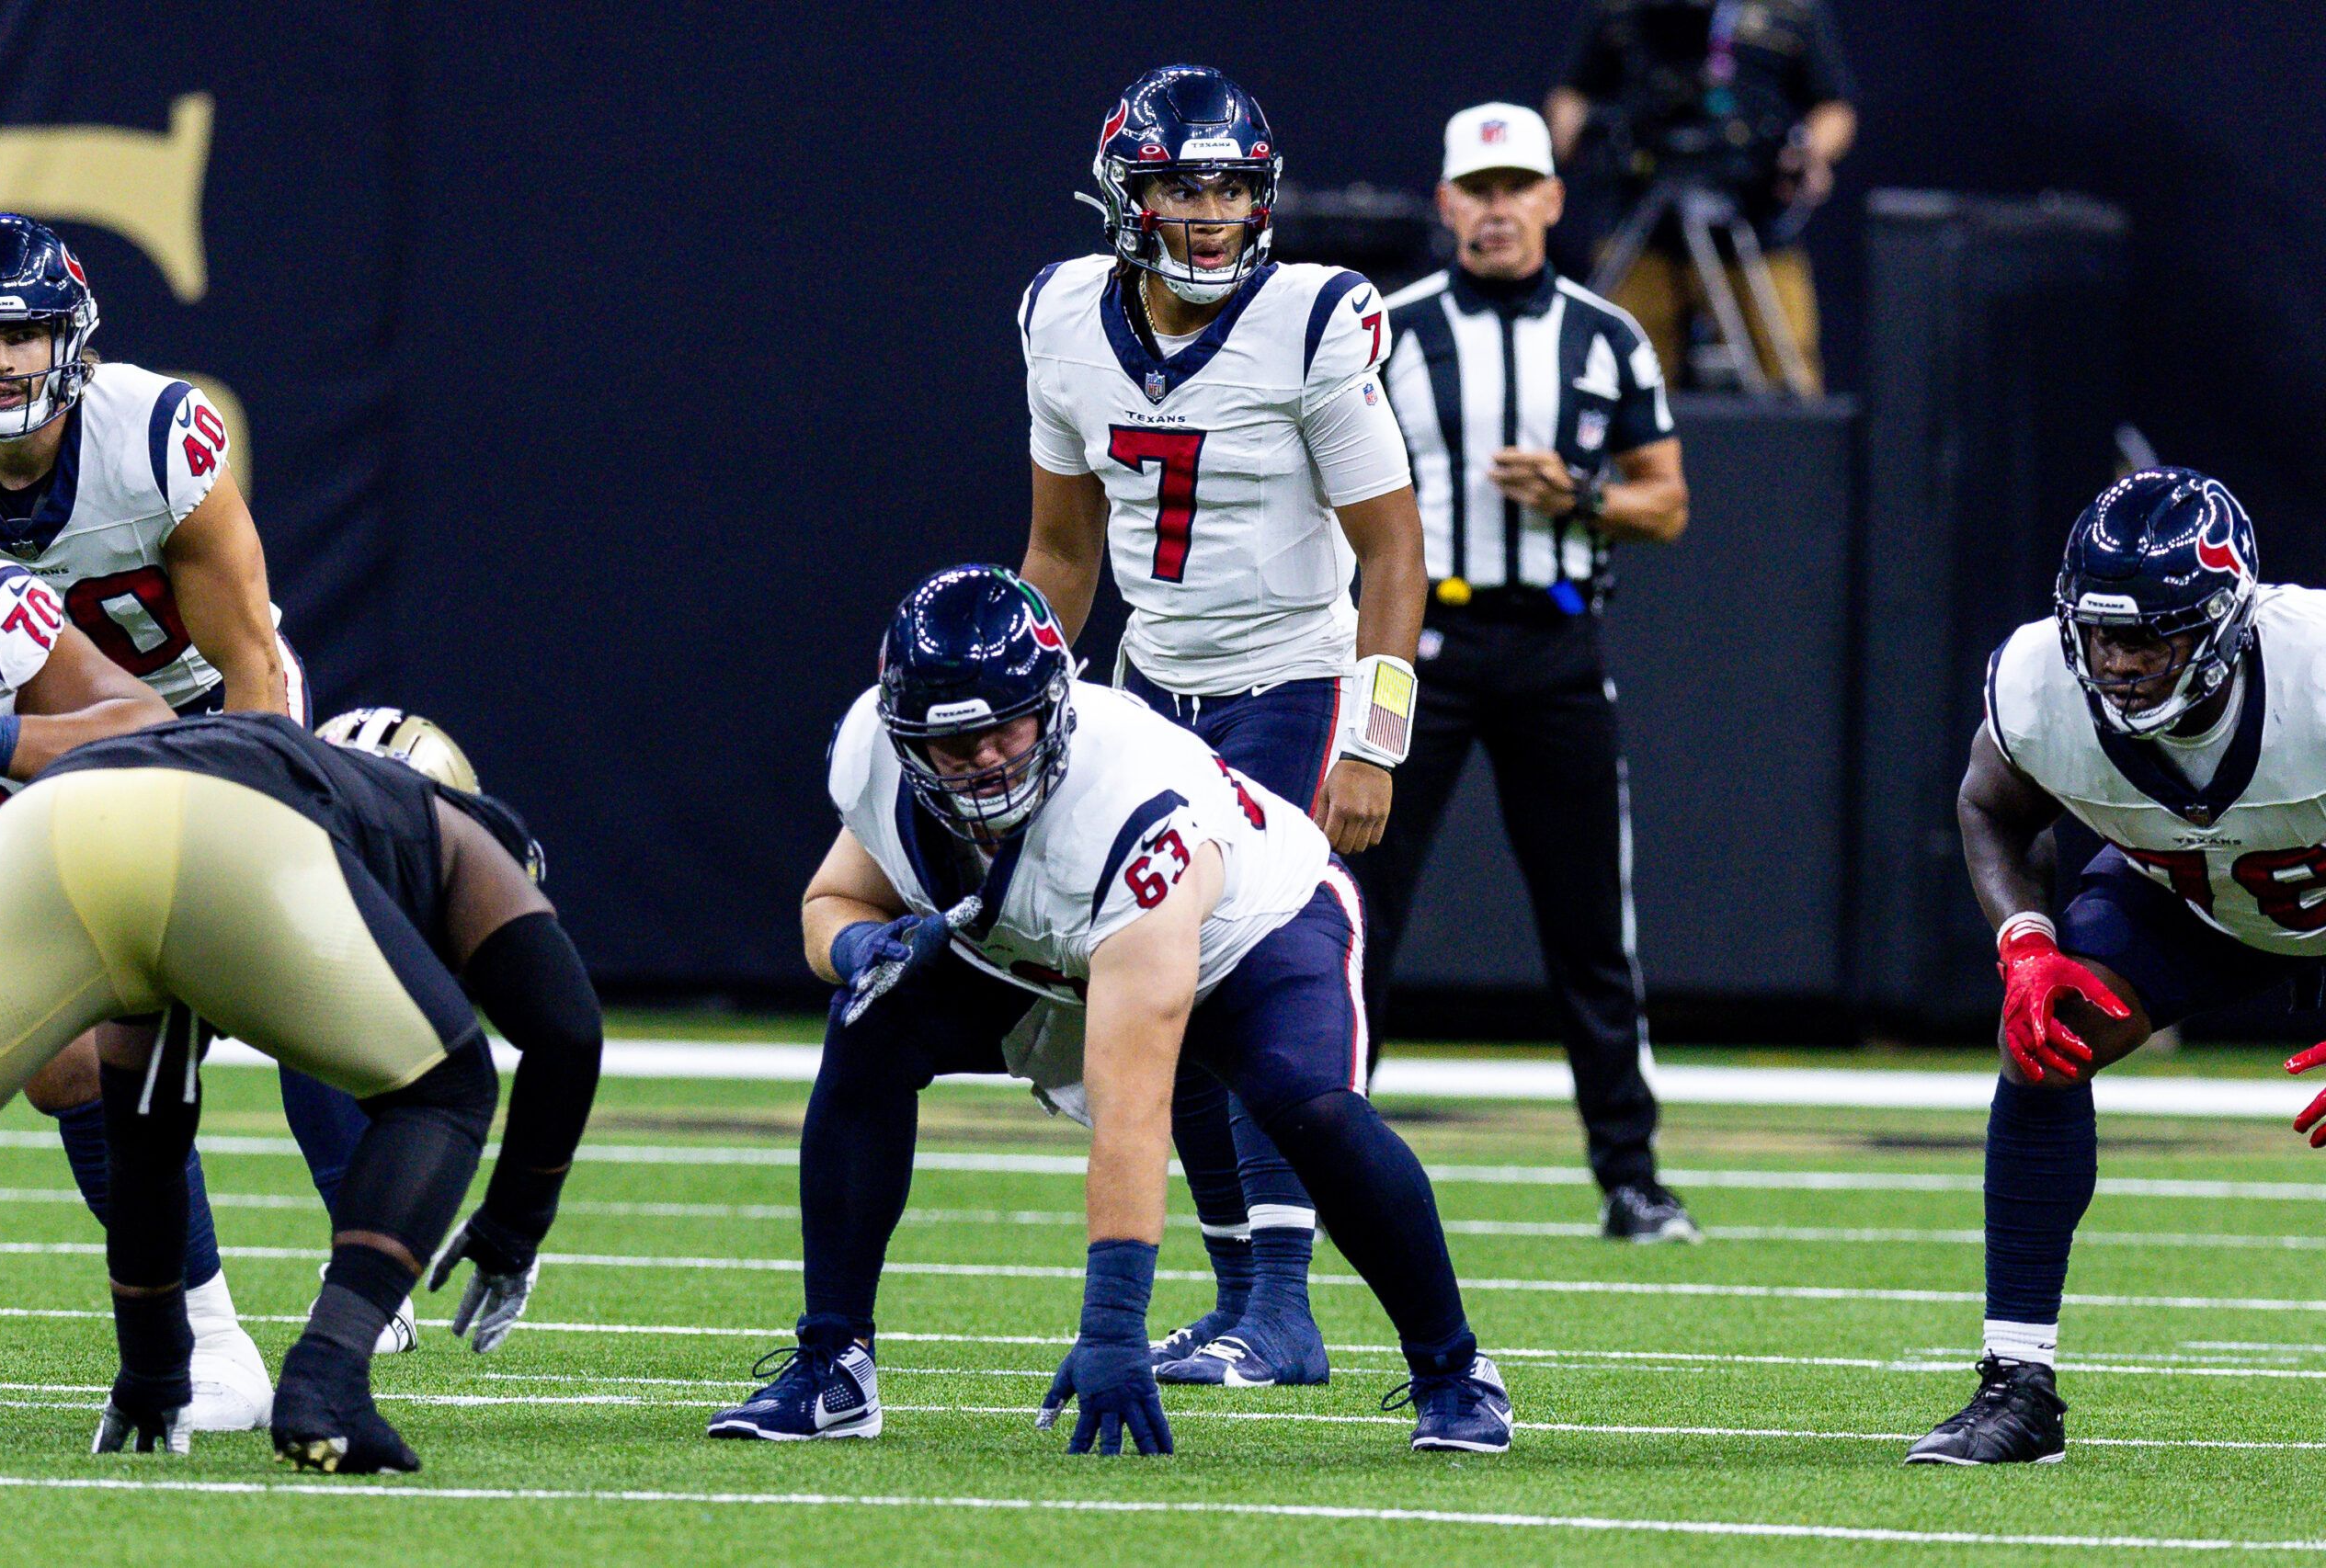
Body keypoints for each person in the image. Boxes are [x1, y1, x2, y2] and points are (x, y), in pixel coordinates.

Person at [706, 567, 1510, 1454]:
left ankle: (1455, 1369)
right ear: (906, 741)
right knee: (870, 1021)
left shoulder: (1128, 809)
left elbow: (1131, 1108)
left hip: (1246, 934)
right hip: (1050, 948)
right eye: (956, 743)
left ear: (1056, 704)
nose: (986, 760)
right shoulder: (877, 759)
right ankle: (834, 1364)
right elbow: (831, 906)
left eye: (1005, 728)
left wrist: (1112, 1325)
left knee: (1307, 1108)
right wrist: (865, 951)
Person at [1018, 63, 1430, 1389]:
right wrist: (1034, 713)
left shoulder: (1312, 320)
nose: (1210, 215)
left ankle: (1284, 1299)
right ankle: (1247, 1289)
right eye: (1183, 186)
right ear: (1121, 195)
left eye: (1233, 188)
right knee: (1151, 997)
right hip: (1150, 692)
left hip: (1291, 687)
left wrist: (1373, 735)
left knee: (1240, 986)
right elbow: (1063, 553)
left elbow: (1395, 551)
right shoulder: (1064, 318)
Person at [0, 212, 408, 1426]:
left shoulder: (153, 439)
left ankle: (365, 1224)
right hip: (20, 750)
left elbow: (250, 651)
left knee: (268, 941)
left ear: (76, 342)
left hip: (205, 707)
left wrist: (253, 783)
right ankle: (203, 1339)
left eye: (22, 335)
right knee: (64, 1053)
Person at [0, 708, 601, 1471]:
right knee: (448, 1087)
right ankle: (329, 1379)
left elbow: (144, 1139)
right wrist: (513, 1224)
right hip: (228, 835)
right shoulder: (446, 826)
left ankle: (173, 1376)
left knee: (139, 1114)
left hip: (40, 821)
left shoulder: (261, 765)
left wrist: (153, 1367)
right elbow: (566, 1027)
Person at [1910, 469, 2326, 1464]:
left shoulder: (2314, 669)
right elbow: (1989, 807)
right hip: (2191, 903)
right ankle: (2016, 1384)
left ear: (2225, 623)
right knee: (2046, 1039)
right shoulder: (2039, 686)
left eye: (2148, 637)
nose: (2119, 660)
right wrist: (2026, 945)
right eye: (2100, 634)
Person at [1355, 103, 1697, 1243]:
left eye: (1516, 187)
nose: (1495, 209)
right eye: (1476, 189)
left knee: (1592, 921)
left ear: (1551, 198)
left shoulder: (1605, 337)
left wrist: (1581, 496)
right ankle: (1321, 1143)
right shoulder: (1386, 331)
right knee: (1358, 908)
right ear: (1446, 202)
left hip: (1554, 645)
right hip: (1422, 646)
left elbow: (1669, 499)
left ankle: (1630, 1174)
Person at [1545, 0, 1857, 393]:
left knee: (1790, 374)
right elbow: (1571, 96)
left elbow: (1833, 105)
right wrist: (1569, 130)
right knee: (1622, 375)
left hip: (1753, 222)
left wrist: (1810, 152)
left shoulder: (1792, 9)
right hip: (1642, 219)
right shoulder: (1619, 10)